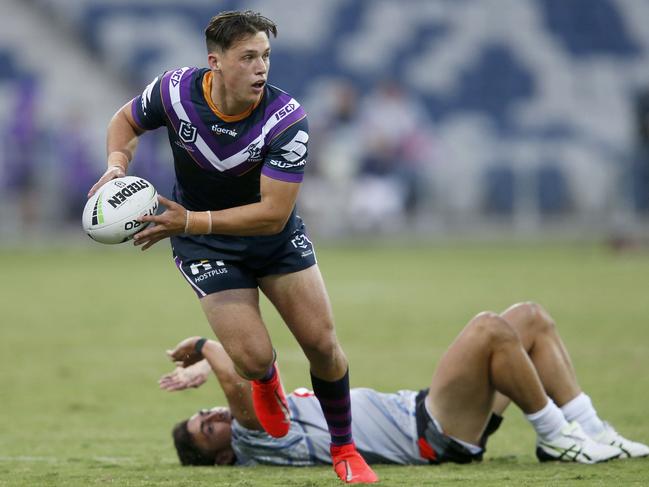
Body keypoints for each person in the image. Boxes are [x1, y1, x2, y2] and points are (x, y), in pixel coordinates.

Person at [86, 10, 376, 484]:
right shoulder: (174, 92)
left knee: (322, 345)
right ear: (215, 62)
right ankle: (266, 382)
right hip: (206, 246)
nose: (261, 67)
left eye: (265, 56)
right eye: (248, 57)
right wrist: (117, 166)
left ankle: (344, 449)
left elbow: (273, 214)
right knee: (253, 358)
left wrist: (189, 220)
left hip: (270, 239)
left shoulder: (286, 119)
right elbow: (124, 121)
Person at [159, 302, 649, 469]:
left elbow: (238, 379)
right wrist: (204, 347)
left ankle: (589, 429)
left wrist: (211, 367)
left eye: (206, 412)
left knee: (530, 319)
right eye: (209, 429)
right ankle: (557, 437)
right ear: (222, 458)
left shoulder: (261, 419)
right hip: (430, 431)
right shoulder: (256, 441)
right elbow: (237, 375)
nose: (217, 416)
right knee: (489, 329)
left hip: (428, 412)